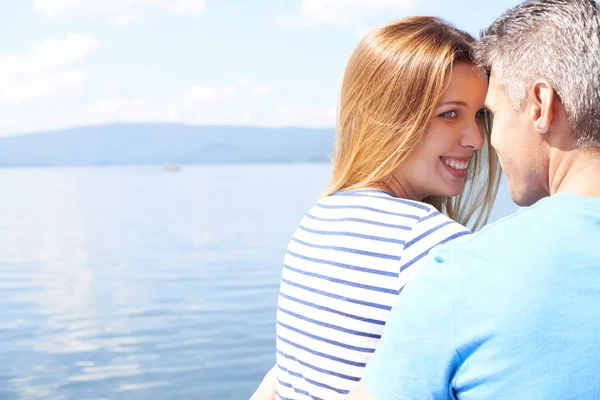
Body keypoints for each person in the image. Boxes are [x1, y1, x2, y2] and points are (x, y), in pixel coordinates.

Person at [346, 0, 600, 399]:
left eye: (489, 115)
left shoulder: (460, 272)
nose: (482, 141)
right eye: (451, 115)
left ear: (541, 105)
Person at [252, 16, 501, 400]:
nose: (476, 139)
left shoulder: (317, 219)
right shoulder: (431, 242)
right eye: (450, 113)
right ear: (392, 118)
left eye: (479, 114)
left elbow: (290, 374)